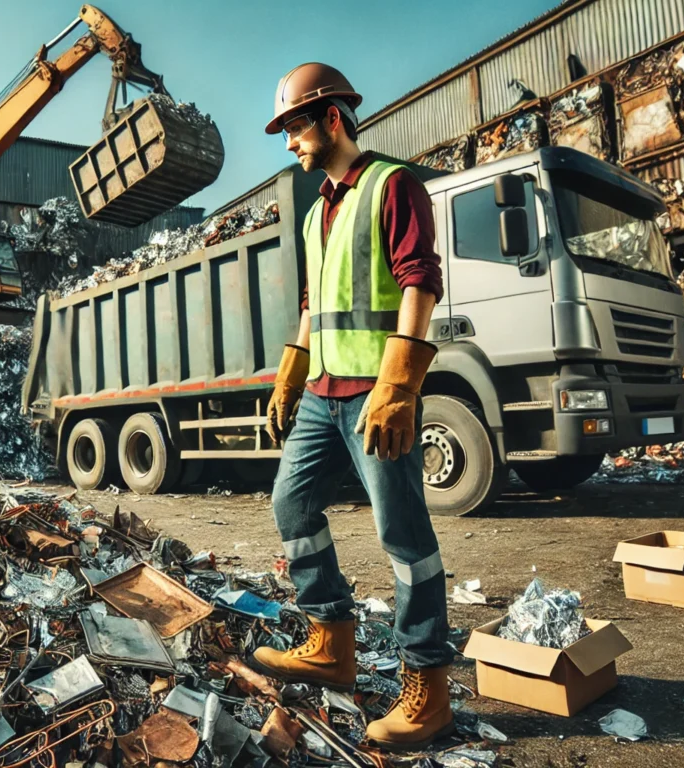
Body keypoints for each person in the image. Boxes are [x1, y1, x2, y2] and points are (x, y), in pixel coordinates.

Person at [249, 62, 455, 752]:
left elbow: (420, 281)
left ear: (331, 117)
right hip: (322, 392)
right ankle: (331, 640)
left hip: (375, 393)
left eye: (294, 128)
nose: (289, 144)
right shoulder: (317, 212)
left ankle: (428, 685)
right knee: (291, 503)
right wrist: (290, 373)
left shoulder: (392, 184)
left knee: (403, 534)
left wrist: (400, 386)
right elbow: (315, 304)